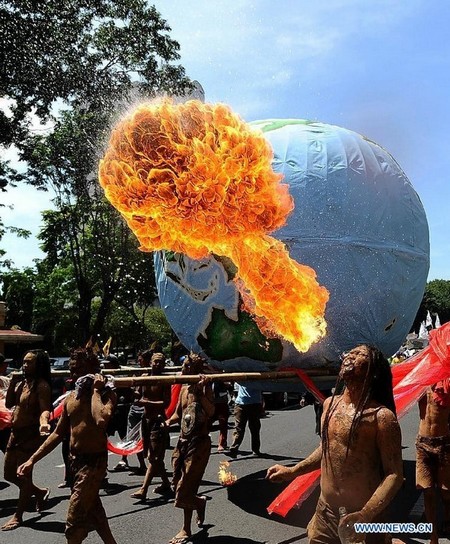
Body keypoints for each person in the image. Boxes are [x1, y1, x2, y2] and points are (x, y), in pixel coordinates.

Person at [267, 344, 404, 544]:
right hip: (325, 514)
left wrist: (365, 516)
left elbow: (395, 475)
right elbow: (327, 450)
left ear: (372, 373)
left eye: (359, 355)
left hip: (363, 518)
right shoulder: (329, 405)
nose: (350, 356)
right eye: (351, 352)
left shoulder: (381, 417)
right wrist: (292, 471)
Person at [17, 347, 118, 544]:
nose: (74, 374)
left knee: (73, 523)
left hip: (93, 463)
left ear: (92, 368)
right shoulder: (71, 398)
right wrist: (31, 460)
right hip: (75, 463)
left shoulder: (106, 394)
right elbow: (57, 433)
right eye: (71, 370)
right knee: (95, 511)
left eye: (78, 369)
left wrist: (96, 390)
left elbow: (100, 420)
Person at [166, 353, 215, 544]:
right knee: (178, 483)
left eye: (186, 366)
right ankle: (199, 502)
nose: (183, 369)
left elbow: (210, 412)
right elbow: (179, 414)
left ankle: (186, 529)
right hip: (182, 442)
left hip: (199, 444)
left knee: (184, 488)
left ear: (194, 369)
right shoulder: (184, 389)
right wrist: (167, 422)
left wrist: (201, 394)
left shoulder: (205, 387)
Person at [1, 349, 52, 531]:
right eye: (24, 362)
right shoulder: (22, 383)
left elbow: (45, 409)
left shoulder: (42, 386)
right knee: (8, 475)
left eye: (29, 362)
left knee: (23, 475)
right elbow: (9, 405)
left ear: (38, 365)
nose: (25, 365)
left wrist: (44, 422)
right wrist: (13, 384)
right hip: (14, 435)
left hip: (30, 437)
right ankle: (39, 492)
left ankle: (18, 516)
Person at [130, 352, 172, 499]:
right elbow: (137, 395)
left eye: (161, 362)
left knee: (153, 457)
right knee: (152, 456)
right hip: (146, 420)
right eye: (155, 362)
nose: (157, 364)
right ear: (151, 363)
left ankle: (144, 489)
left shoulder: (164, 381)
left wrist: (146, 402)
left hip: (158, 420)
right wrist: (135, 391)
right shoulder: (144, 378)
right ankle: (166, 484)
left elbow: (166, 403)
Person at [416, 378, 450, 544]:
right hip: (423, 443)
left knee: (445, 492)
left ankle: (448, 518)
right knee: (427, 491)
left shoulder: (447, 383)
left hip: (444, 443)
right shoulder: (420, 383)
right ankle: (433, 535)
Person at [112, 349, 153, 474]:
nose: (139, 362)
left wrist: (127, 389)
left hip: (145, 409)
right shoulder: (136, 373)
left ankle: (150, 464)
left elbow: (139, 393)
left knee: (147, 438)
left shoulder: (151, 374)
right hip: (134, 409)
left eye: (141, 359)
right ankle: (138, 463)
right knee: (132, 438)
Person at [227, 382, 263, 458]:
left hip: (254, 403)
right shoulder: (241, 374)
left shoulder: (258, 375)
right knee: (239, 428)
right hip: (241, 403)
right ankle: (233, 449)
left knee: (254, 428)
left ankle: (256, 450)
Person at [210, 379, 232, 451]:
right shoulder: (206, 371)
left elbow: (229, 384)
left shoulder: (222, 373)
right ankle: (204, 440)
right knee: (207, 422)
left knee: (223, 423)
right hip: (210, 402)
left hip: (221, 401)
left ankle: (222, 443)